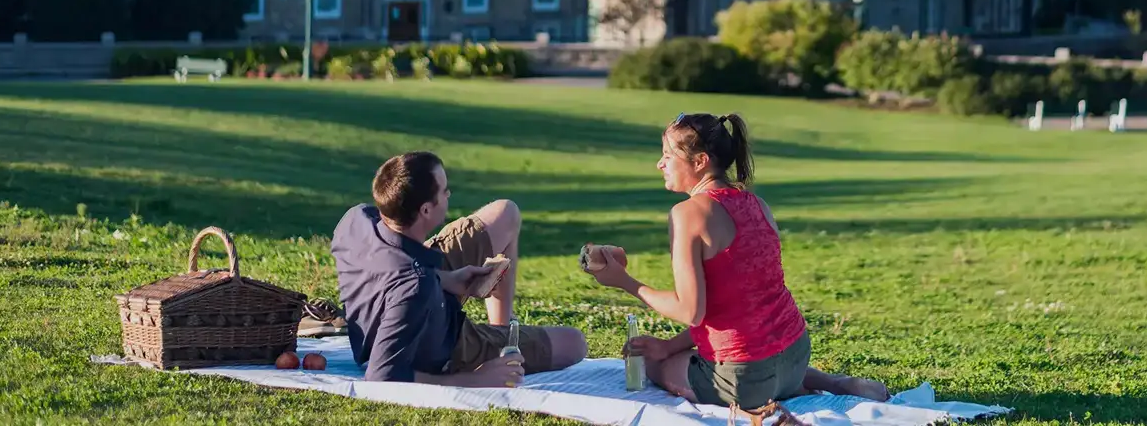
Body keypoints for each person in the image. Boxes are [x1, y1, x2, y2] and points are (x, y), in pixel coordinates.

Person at [588, 113, 889, 411]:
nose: (660, 163)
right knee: (679, 353)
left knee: (653, 363)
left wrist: (622, 280)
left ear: (699, 161)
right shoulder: (757, 204)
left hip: (743, 382)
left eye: (668, 155)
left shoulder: (688, 214)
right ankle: (835, 383)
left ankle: (785, 386)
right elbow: (733, 307)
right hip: (796, 356)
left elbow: (690, 311)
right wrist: (668, 345)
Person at [331, 151, 588, 385]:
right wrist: (476, 378)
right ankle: (496, 342)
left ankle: (501, 328)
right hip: (443, 346)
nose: (449, 195)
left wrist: (446, 278)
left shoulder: (357, 219)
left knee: (506, 214)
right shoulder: (414, 287)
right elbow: (381, 375)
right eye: (444, 191)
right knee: (574, 344)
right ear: (425, 209)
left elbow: (390, 273)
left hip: (421, 283)